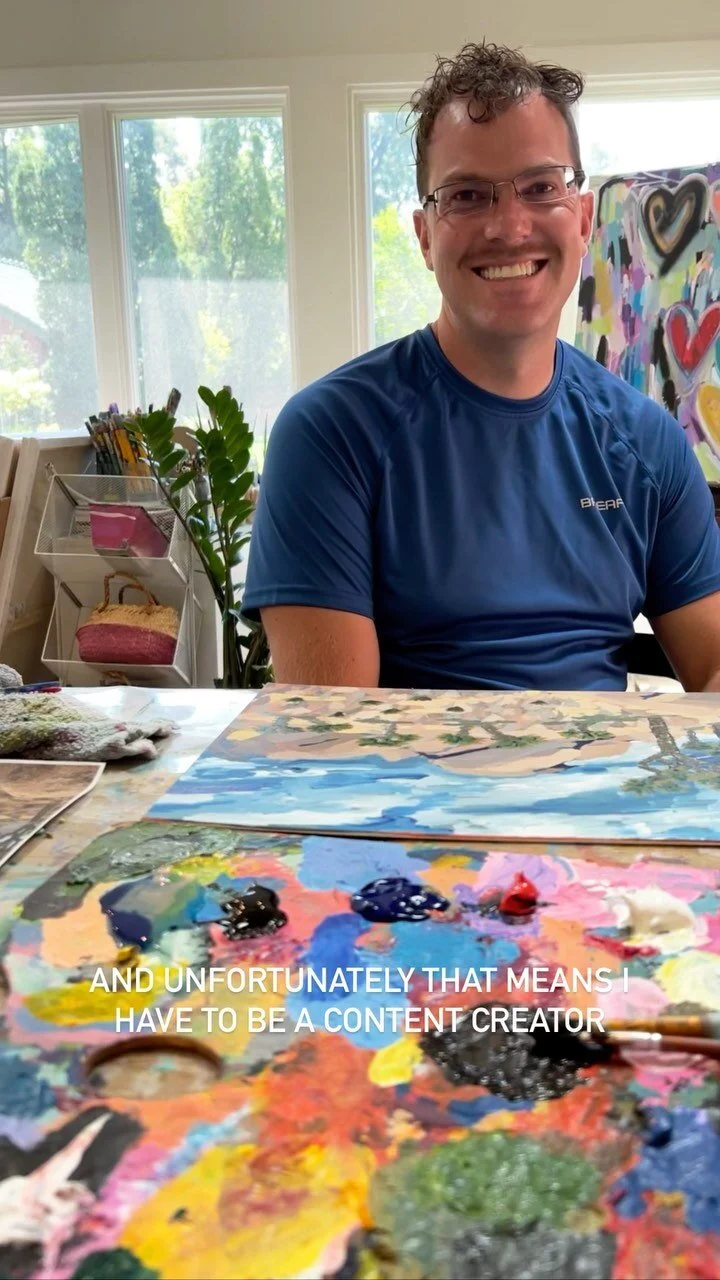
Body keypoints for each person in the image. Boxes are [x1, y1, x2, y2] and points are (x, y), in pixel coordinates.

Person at [243, 41, 720, 692]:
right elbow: (334, 726)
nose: (510, 226)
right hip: (406, 762)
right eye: (467, 195)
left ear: (583, 219)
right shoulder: (330, 434)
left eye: (541, 187)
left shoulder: (647, 443)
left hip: (604, 757)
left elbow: (713, 664)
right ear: (424, 236)